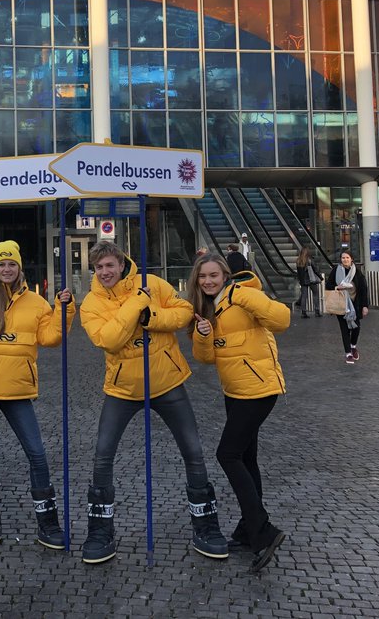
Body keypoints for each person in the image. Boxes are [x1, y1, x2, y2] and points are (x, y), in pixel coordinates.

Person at [77, 239, 228, 564]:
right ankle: (100, 531)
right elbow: (109, 340)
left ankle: (206, 526)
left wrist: (152, 315)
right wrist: (135, 307)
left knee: (194, 453)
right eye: (99, 267)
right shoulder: (89, 303)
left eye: (110, 265)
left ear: (121, 264)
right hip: (122, 389)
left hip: (167, 381)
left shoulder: (152, 284)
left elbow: (185, 311)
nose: (105, 272)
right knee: (103, 457)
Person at [0, 240, 71, 549]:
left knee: (37, 452)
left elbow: (50, 338)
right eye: (1, 264)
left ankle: (47, 522)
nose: (6, 269)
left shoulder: (36, 303)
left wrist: (66, 309)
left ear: (19, 268)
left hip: (18, 388)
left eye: (11, 264)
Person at [189, 255, 290, 573]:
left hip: (259, 390)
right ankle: (249, 530)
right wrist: (203, 334)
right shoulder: (207, 308)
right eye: (203, 276)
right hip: (235, 391)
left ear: (225, 275)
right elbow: (206, 358)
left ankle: (262, 529)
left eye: (214, 275)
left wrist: (241, 293)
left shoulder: (244, 297)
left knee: (227, 454)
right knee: (246, 458)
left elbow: (282, 319)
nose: (208, 281)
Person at [325, 251, 369, 364]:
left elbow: (363, 289)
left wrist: (365, 306)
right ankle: (348, 353)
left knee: (356, 327)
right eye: (343, 258)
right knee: (344, 329)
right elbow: (328, 285)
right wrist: (337, 287)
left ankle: (353, 345)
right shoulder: (336, 270)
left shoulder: (357, 272)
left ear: (352, 259)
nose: (345, 260)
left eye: (347, 257)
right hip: (341, 303)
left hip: (355, 304)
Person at [294, 245, 321, 317]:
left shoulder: (298, 260)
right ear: (308, 252)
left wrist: (300, 280)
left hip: (303, 281)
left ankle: (303, 312)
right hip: (311, 280)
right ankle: (317, 311)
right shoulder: (309, 260)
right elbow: (315, 270)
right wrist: (320, 277)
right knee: (315, 294)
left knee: (304, 296)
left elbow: (298, 273)